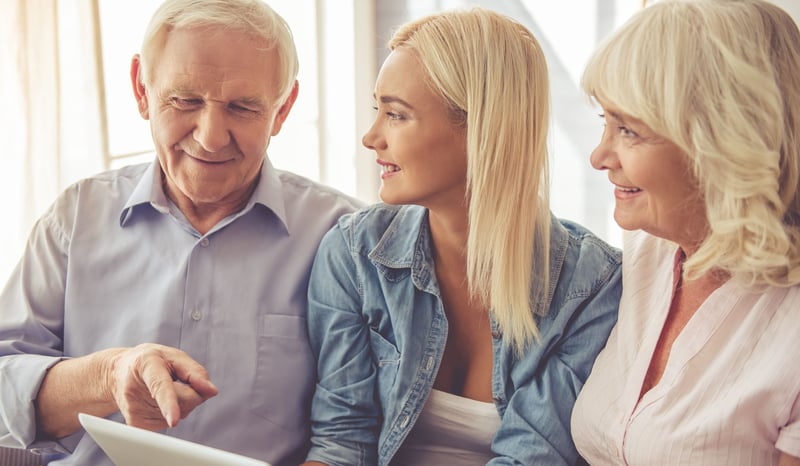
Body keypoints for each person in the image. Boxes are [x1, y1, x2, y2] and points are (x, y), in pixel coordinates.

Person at [0, 0, 363, 465]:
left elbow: (350, 434)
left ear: (282, 108)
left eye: (242, 107)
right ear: (141, 89)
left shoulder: (342, 237)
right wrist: (108, 376)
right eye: (184, 100)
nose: (211, 137)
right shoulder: (77, 217)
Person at [301, 8, 623, 466]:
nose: (371, 137)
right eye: (378, 110)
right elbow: (340, 443)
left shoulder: (592, 285)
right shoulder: (353, 254)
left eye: (396, 115)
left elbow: (532, 457)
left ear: (480, 129)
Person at [569, 1, 800, 464]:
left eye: (629, 130)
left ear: (723, 139)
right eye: (605, 123)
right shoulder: (646, 251)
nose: (599, 156)